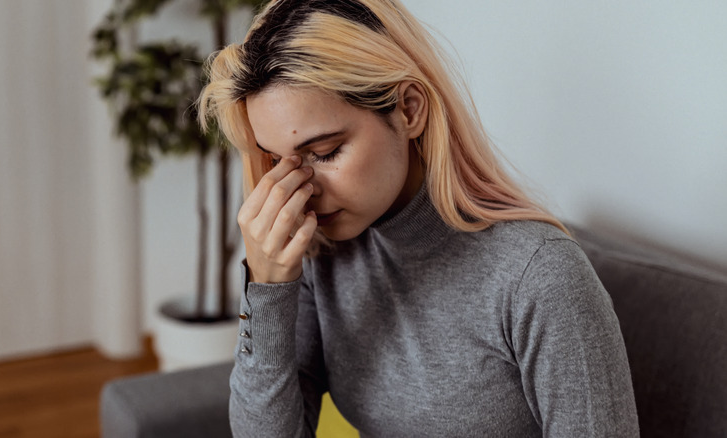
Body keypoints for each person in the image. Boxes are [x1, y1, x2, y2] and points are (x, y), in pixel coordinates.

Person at [198, 0, 640, 436]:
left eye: (325, 151)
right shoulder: (321, 253)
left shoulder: (539, 276)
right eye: (277, 160)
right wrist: (266, 287)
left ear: (409, 109)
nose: (302, 190)